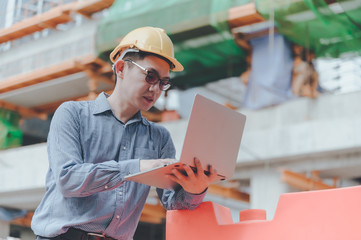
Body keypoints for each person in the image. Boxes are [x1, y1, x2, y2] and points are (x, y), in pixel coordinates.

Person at [31, 27, 218, 240]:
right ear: (121, 68)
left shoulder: (159, 138)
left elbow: (172, 203)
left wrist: (195, 189)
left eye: (163, 82)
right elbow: (68, 179)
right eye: (150, 76)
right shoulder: (73, 114)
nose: (156, 89)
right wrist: (137, 167)